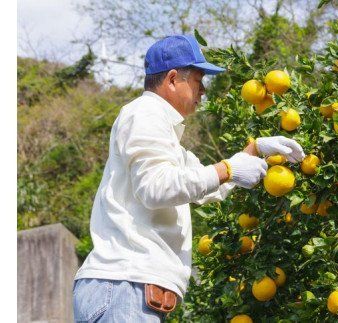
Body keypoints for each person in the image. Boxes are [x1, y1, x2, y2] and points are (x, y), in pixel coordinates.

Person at [72, 34, 305, 322]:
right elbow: (155, 188)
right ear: (172, 79)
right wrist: (228, 169)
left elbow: (206, 185)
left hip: (128, 290)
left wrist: (254, 151)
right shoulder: (144, 114)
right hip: (124, 287)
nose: (203, 91)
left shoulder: (165, 136)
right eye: (198, 80)